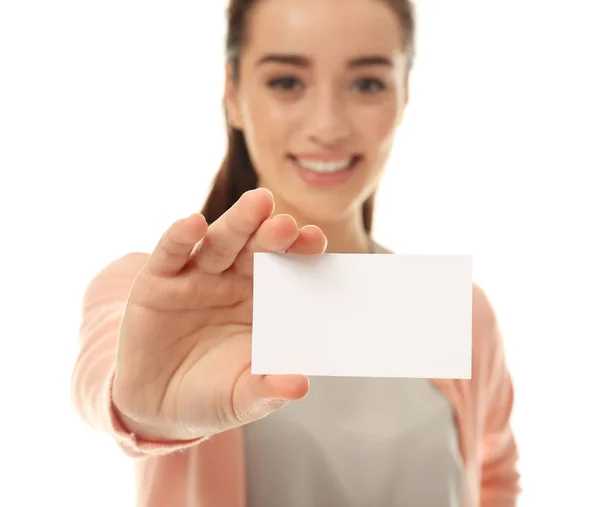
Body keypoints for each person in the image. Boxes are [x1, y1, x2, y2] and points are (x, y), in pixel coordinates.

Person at [71, 0, 521, 505]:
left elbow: (495, 478)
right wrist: (139, 406)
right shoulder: (156, 296)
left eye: (367, 83)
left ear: (404, 94)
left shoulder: (458, 311)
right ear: (234, 94)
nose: (327, 126)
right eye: (286, 82)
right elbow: (109, 381)